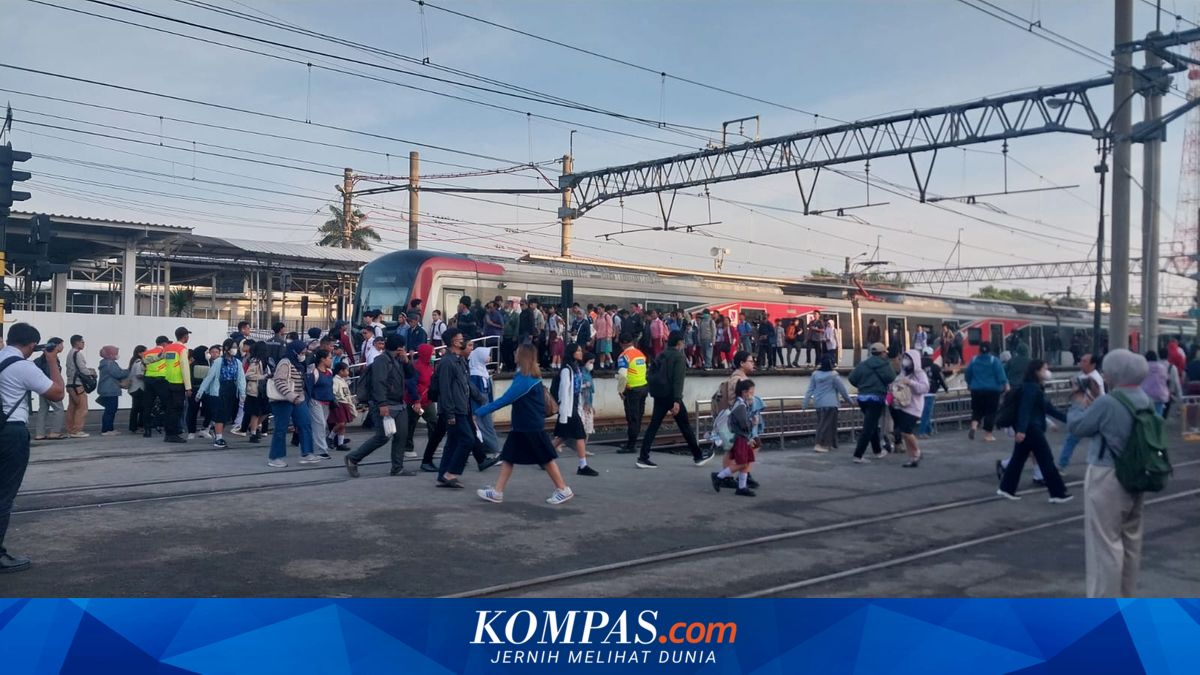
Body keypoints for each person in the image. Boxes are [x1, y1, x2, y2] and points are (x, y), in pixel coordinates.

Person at [1065, 349, 1151, 597]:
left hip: (1107, 476)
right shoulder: (1144, 399)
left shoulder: (1109, 402)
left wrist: (1078, 401)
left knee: (1104, 544)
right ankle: (1126, 597)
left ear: (1116, 373)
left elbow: (1078, 426)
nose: (1105, 375)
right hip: (1136, 475)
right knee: (1130, 540)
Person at [0, 323, 66, 572]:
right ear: (31, 345)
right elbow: (57, 393)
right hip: (10, 433)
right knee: (3, 494)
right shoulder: (22, 367)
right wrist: (51, 361)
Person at [475, 344, 575, 505]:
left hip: (528, 427)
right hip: (526, 425)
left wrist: (479, 412)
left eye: (517, 352)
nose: (514, 353)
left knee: (545, 458)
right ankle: (497, 492)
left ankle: (563, 489)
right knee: (509, 457)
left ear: (522, 356)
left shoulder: (524, 379)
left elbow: (505, 400)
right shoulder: (530, 377)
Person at [996, 360, 1072, 502]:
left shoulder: (1033, 387)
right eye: (1044, 369)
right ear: (1036, 371)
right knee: (1046, 460)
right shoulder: (1032, 388)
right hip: (1032, 430)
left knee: (1018, 460)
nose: (1047, 372)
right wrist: (1021, 430)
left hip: (1029, 429)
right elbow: (1024, 410)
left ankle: (1006, 488)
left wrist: (1069, 419)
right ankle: (1057, 493)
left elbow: (1048, 408)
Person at [637, 331, 714, 469]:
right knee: (685, 426)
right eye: (683, 342)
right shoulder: (679, 357)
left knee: (654, 425)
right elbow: (678, 381)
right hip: (671, 396)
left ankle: (643, 456)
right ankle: (698, 456)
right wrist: (677, 400)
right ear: (679, 343)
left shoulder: (661, 354)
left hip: (659, 395)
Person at [346, 335, 419, 477]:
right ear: (399, 348)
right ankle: (353, 458)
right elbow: (378, 383)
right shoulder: (381, 360)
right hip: (385, 403)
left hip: (399, 403)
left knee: (401, 435)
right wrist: (382, 403)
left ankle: (397, 467)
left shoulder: (399, 360)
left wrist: (407, 362)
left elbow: (411, 375)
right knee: (383, 436)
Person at [434, 328, 487, 488]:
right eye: (460, 339)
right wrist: (450, 413)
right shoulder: (447, 362)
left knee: (453, 442)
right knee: (467, 439)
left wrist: (479, 398)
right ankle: (451, 473)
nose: (463, 341)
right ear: (454, 342)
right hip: (454, 409)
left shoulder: (460, 360)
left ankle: (443, 475)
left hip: (462, 407)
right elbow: (445, 390)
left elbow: (466, 384)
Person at [267, 340, 316, 468]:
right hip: (283, 400)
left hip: (299, 398)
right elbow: (279, 381)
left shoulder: (299, 363)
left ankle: (307, 453)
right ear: (294, 351)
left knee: (305, 423)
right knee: (281, 428)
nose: (303, 354)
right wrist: (291, 396)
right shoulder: (285, 363)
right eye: (302, 352)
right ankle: (275, 457)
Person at [553, 344, 600, 477]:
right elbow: (564, 391)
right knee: (580, 435)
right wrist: (564, 412)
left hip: (573, 406)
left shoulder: (575, 368)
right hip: (568, 408)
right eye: (578, 350)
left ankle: (543, 456)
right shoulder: (567, 370)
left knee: (563, 436)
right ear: (572, 352)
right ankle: (582, 465)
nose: (580, 352)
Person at [710, 379, 761, 497]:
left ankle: (741, 487)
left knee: (746, 462)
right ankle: (719, 476)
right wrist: (752, 422)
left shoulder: (739, 404)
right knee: (742, 463)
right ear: (744, 392)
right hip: (740, 438)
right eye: (751, 392)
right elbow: (744, 424)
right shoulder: (741, 406)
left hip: (741, 437)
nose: (752, 395)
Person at [849, 343, 896, 462]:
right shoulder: (885, 364)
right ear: (882, 353)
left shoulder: (862, 364)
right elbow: (891, 377)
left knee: (872, 424)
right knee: (868, 427)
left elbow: (852, 378)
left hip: (862, 398)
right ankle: (858, 455)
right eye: (885, 352)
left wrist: (862, 386)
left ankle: (877, 451)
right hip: (876, 398)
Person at [145, 327, 193, 444]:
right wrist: (188, 387)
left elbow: (157, 358)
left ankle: (169, 433)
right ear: (185, 336)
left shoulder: (168, 348)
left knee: (169, 409)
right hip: (178, 383)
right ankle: (173, 434)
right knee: (177, 410)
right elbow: (185, 368)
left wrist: (145, 361)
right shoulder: (182, 349)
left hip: (167, 382)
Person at [1057, 353, 1104, 472]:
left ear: (1093, 365)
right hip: (1085, 411)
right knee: (1073, 438)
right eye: (1081, 361)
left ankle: (1062, 465)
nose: (1081, 363)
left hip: (1092, 412)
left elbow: (1096, 394)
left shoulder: (1094, 378)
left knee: (1074, 437)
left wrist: (1077, 387)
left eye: (1084, 361)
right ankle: (1062, 464)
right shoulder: (1082, 375)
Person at [195, 340, 246, 448]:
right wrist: (200, 392)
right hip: (220, 390)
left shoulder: (237, 362)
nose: (235, 349)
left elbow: (241, 379)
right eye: (233, 347)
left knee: (227, 415)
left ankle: (217, 433)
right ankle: (218, 438)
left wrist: (242, 393)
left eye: (236, 347)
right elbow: (210, 377)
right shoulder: (219, 362)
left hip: (232, 389)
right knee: (220, 414)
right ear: (226, 348)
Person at [890, 349, 930, 467]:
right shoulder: (903, 372)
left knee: (907, 431)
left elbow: (925, 388)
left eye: (908, 358)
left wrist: (911, 383)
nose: (905, 361)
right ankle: (912, 457)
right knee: (904, 432)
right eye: (905, 358)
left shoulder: (919, 373)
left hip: (914, 407)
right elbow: (896, 383)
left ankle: (917, 451)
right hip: (903, 405)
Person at [805, 355, 853, 453]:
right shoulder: (834, 375)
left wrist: (805, 403)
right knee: (829, 425)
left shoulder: (815, 374)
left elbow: (810, 389)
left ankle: (831, 444)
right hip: (831, 403)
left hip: (819, 402)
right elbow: (842, 390)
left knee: (822, 423)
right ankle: (820, 444)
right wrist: (850, 401)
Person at [964, 342, 1008, 442]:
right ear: (990, 350)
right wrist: (1006, 385)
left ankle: (974, 427)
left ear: (979, 350)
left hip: (976, 390)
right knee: (991, 412)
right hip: (992, 390)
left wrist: (970, 383)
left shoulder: (973, 360)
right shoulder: (994, 360)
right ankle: (988, 435)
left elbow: (968, 374)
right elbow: (1001, 375)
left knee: (977, 410)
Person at [615, 332, 648, 454]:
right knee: (638, 417)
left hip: (632, 390)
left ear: (621, 344)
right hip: (643, 387)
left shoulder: (624, 356)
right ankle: (633, 442)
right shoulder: (640, 354)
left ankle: (631, 445)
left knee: (632, 418)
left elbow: (623, 375)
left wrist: (620, 390)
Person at [410, 344, 439, 470]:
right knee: (411, 423)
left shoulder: (430, 366)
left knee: (433, 422)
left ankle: (432, 445)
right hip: (417, 402)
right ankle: (408, 446)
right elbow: (412, 385)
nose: (434, 355)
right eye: (432, 353)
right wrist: (416, 400)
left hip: (427, 402)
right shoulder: (416, 367)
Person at [469, 345, 502, 457]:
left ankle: (491, 449)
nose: (489, 357)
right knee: (484, 427)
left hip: (484, 403)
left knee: (487, 426)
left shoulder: (482, 370)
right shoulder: (475, 373)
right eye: (487, 355)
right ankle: (494, 449)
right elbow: (475, 394)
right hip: (479, 404)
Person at [31, 338, 65, 441]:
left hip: (41, 387)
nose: (63, 347)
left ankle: (39, 433)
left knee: (43, 410)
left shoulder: (42, 357)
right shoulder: (51, 358)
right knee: (59, 409)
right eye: (61, 344)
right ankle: (55, 432)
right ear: (56, 346)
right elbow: (51, 374)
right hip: (50, 387)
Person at [63, 334, 94, 438]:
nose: (83, 344)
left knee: (72, 407)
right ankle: (77, 430)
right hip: (78, 384)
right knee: (82, 407)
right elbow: (82, 369)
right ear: (76, 342)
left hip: (70, 383)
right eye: (82, 342)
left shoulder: (70, 353)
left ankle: (70, 429)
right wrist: (91, 372)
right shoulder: (77, 354)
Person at [140, 336, 170, 438]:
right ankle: (168, 429)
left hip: (148, 380)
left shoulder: (146, 353)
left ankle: (147, 431)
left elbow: (142, 367)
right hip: (162, 379)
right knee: (167, 405)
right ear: (164, 343)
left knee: (147, 406)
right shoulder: (166, 352)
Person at [96, 345, 129, 436]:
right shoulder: (110, 363)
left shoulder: (105, 363)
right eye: (115, 353)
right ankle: (106, 429)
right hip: (110, 390)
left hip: (107, 389)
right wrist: (128, 370)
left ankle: (109, 428)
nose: (117, 355)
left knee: (109, 410)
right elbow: (118, 374)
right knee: (110, 410)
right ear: (110, 354)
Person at [244, 342, 272, 443]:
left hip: (263, 390)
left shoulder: (267, 361)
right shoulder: (255, 361)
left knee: (266, 411)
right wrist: (263, 377)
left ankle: (253, 427)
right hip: (255, 390)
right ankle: (253, 433)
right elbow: (248, 375)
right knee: (256, 413)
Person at [327, 361, 357, 450]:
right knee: (340, 423)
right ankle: (330, 437)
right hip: (339, 403)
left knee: (343, 424)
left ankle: (340, 443)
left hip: (345, 403)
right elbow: (334, 391)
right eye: (346, 370)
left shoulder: (343, 380)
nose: (348, 372)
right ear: (341, 371)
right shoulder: (335, 380)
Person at [1141, 351, 1169, 417]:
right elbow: (1165, 379)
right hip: (1159, 395)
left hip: (1146, 395)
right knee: (1158, 415)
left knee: (1146, 415)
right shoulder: (1162, 368)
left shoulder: (1143, 367)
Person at [126, 345, 147, 435]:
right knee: (139, 409)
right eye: (145, 352)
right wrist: (147, 376)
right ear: (139, 353)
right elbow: (139, 374)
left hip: (134, 388)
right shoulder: (139, 362)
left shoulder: (133, 361)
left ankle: (134, 426)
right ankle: (137, 426)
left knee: (135, 408)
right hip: (139, 388)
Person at [593, 305, 613, 370]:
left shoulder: (607, 316)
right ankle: (605, 363)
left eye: (600, 309)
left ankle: (606, 363)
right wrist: (594, 335)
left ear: (603, 309)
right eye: (598, 309)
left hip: (605, 336)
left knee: (605, 351)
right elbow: (595, 327)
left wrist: (608, 336)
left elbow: (609, 326)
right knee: (601, 351)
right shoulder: (597, 317)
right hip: (599, 336)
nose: (599, 311)